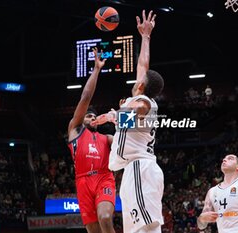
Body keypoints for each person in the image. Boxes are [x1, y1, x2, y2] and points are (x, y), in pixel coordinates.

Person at [91, 10, 164, 233]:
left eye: (140, 77)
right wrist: (145, 37)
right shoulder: (138, 97)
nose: (138, 75)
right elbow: (143, 63)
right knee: (137, 230)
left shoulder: (145, 102)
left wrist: (121, 110)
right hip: (134, 171)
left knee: (148, 230)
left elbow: (140, 108)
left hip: (141, 169)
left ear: (142, 85)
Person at [67, 47, 115, 233]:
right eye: (87, 116)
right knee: (94, 230)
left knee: (104, 217)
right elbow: (86, 97)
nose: (90, 118)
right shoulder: (75, 131)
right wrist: (96, 69)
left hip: (104, 178)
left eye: (92, 116)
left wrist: (115, 117)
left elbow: (125, 142)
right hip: (83, 182)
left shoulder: (107, 138)